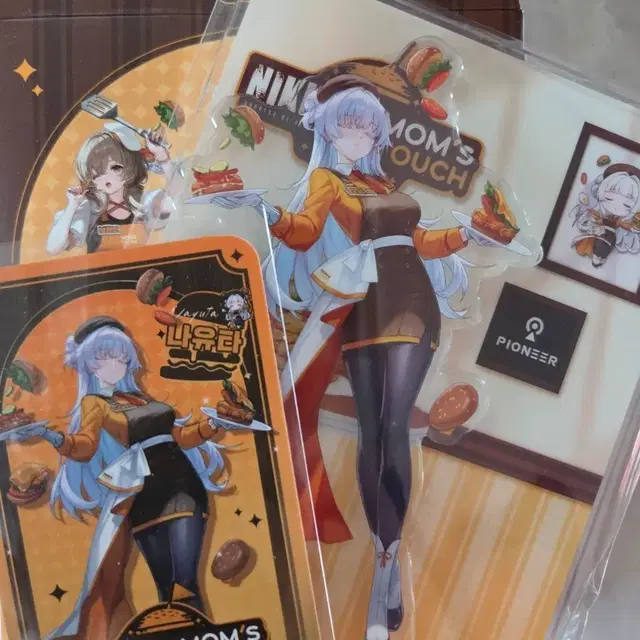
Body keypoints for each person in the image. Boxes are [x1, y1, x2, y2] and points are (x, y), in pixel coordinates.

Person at [215, 74, 494, 640]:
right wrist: (263, 210)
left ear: (377, 135)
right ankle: (384, 562)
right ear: (326, 129)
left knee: (393, 425)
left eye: (367, 129)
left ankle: (385, 566)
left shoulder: (382, 181)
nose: (357, 137)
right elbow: (303, 233)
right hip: (363, 310)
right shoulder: (325, 180)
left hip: (414, 304)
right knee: (374, 429)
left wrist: (467, 236)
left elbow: (419, 243)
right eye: (347, 126)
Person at [12, 316, 225, 640]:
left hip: (184, 488)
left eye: (121, 356)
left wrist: (215, 424)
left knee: (185, 585)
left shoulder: (144, 398)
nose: (115, 364)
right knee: (166, 591)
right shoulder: (95, 404)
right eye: (105, 357)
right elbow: (85, 446)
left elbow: (181, 436)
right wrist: (53, 437)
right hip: (145, 498)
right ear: (88, 363)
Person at [46, 123, 177, 255]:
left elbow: (177, 201)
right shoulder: (90, 208)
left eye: (115, 168)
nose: (106, 178)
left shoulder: (144, 202)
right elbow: (53, 248)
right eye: (97, 174)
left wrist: (163, 158)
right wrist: (72, 207)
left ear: (130, 166)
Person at [572, 165, 640, 267]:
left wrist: (630, 226)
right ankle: (596, 255)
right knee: (600, 243)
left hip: (609, 237)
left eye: (627, 205)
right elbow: (598, 221)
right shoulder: (601, 213)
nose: (616, 207)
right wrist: (597, 219)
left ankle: (599, 257)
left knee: (605, 245)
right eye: (609, 198)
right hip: (601, 233)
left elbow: (628, 227)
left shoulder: (621, 221)